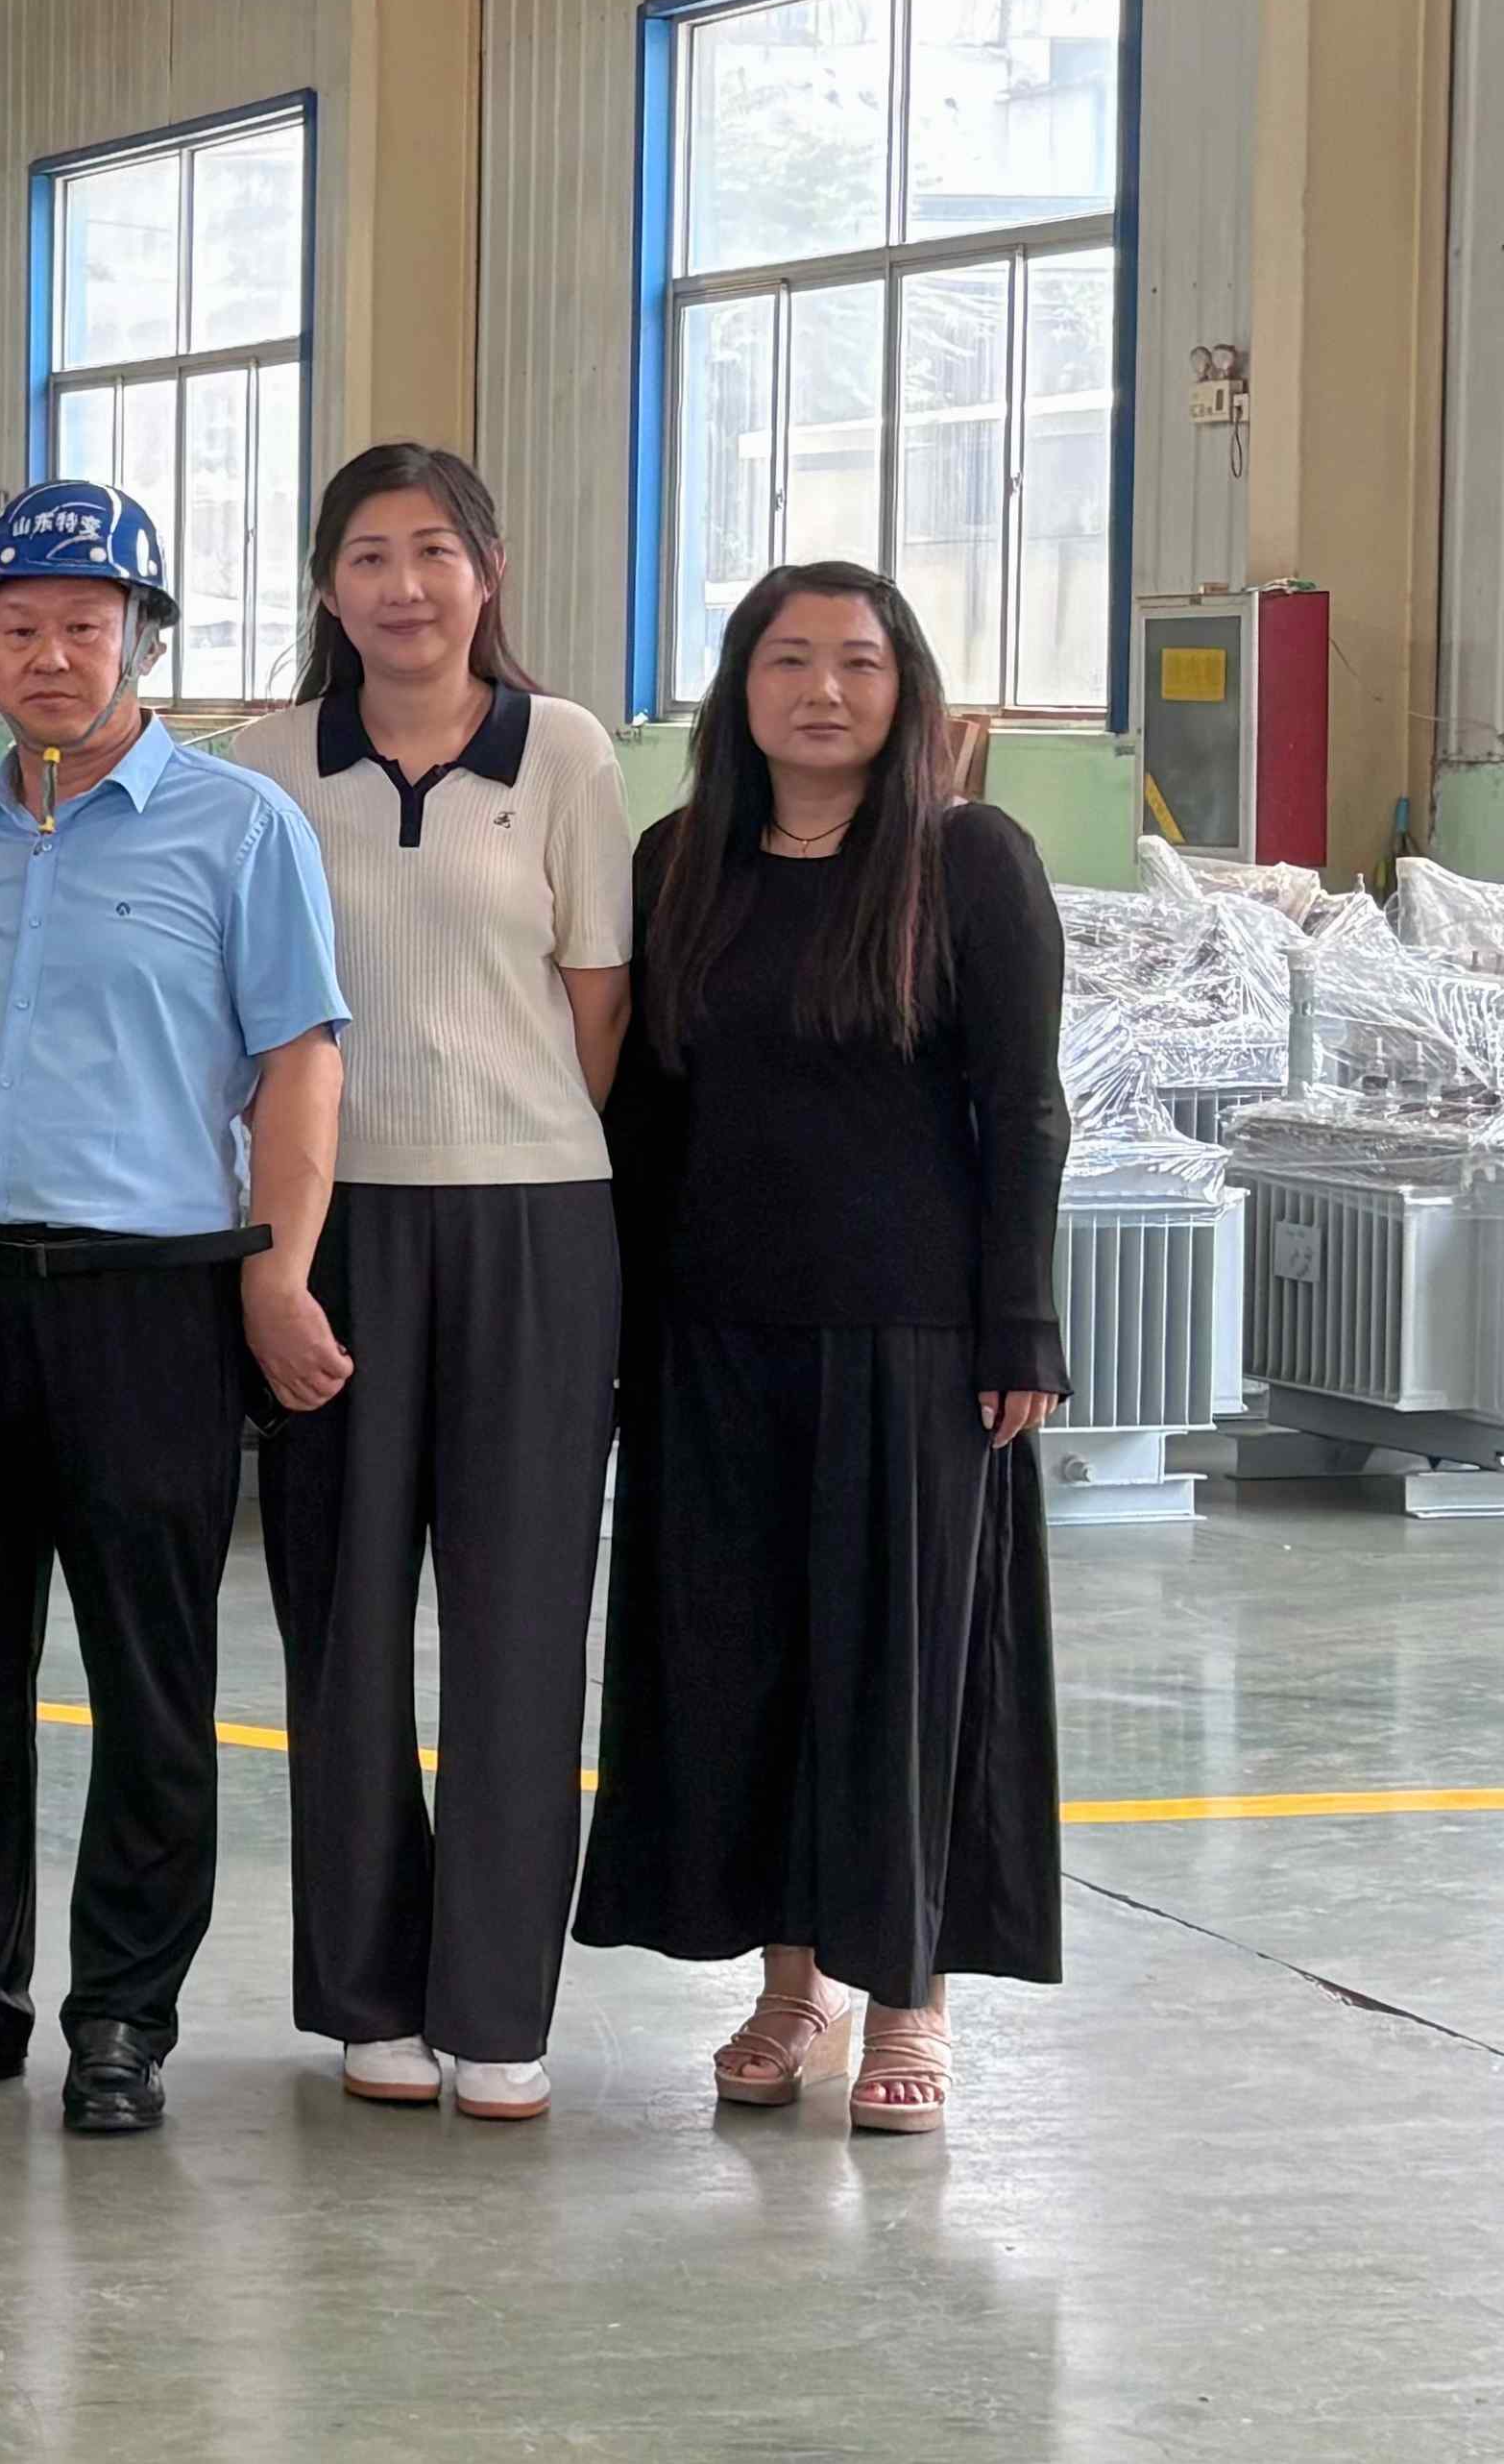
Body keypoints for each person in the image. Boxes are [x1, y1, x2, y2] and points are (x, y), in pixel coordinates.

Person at [0, 476, 346, 2140]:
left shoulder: (239, 828)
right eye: (18, 624)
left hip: (151, 1301)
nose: (48, 654)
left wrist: (277, 1264)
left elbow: (300, 1061)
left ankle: (123, 2013)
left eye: (84, 624)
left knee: (148, 1674)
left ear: (144, 640)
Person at [579, 563, 1066, 2137]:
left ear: (904, 686)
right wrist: (621, 1334)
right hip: (713, 1331)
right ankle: (796, 1983)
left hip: (909, 1335)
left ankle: (909, 1992)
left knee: (899, 1670)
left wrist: (1021, 1321)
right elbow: (643, 1117)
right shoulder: (679, 863)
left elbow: (1024, 1105)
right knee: (749, 1663)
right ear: (741, 690)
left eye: (859, 660)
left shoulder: (968, 859)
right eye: (788, 660)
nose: (824, 690)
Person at [220, 444, 632, 2124]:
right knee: (342, 1622)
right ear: (328, 585)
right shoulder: (262, 768)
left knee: (523, 1626)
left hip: (537, 1225)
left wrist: (504, 1140)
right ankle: (372, 1994)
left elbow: (596, 1010)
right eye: (369, 555)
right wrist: (281, 1246)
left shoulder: (568, 754)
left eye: (435, 551)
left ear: (489, 570)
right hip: (327, 1228)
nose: (404, 585)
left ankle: (499, 2006)